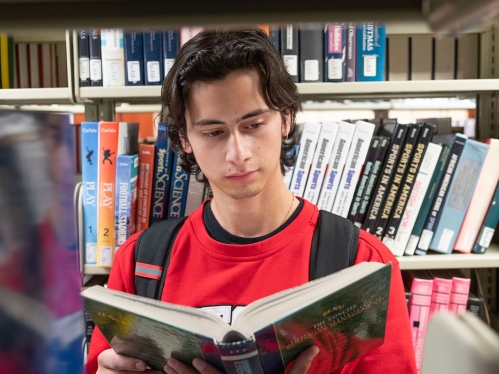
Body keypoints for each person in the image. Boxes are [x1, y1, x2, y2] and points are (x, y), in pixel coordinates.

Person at [86, 28, 417, 374]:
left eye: (253, 124)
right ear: (185, 139)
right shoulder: (140, 263)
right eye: (214, 132)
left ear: (285, 119)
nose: (237, 153)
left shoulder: (362, 263)